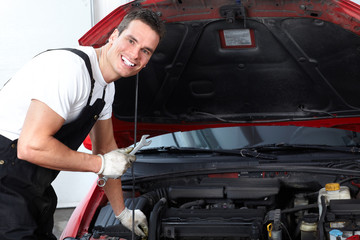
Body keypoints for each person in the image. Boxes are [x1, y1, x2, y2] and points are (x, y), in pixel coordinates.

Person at [0, 8, 165, 240]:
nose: (135, 54)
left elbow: (106, 149)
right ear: (113, 36)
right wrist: (99, 164)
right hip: (6, 177)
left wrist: (122, 213)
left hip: (30, 185)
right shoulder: (71, 69)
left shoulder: (105, 88)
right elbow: (30, 146)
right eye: (131, 40)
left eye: (145, 50)